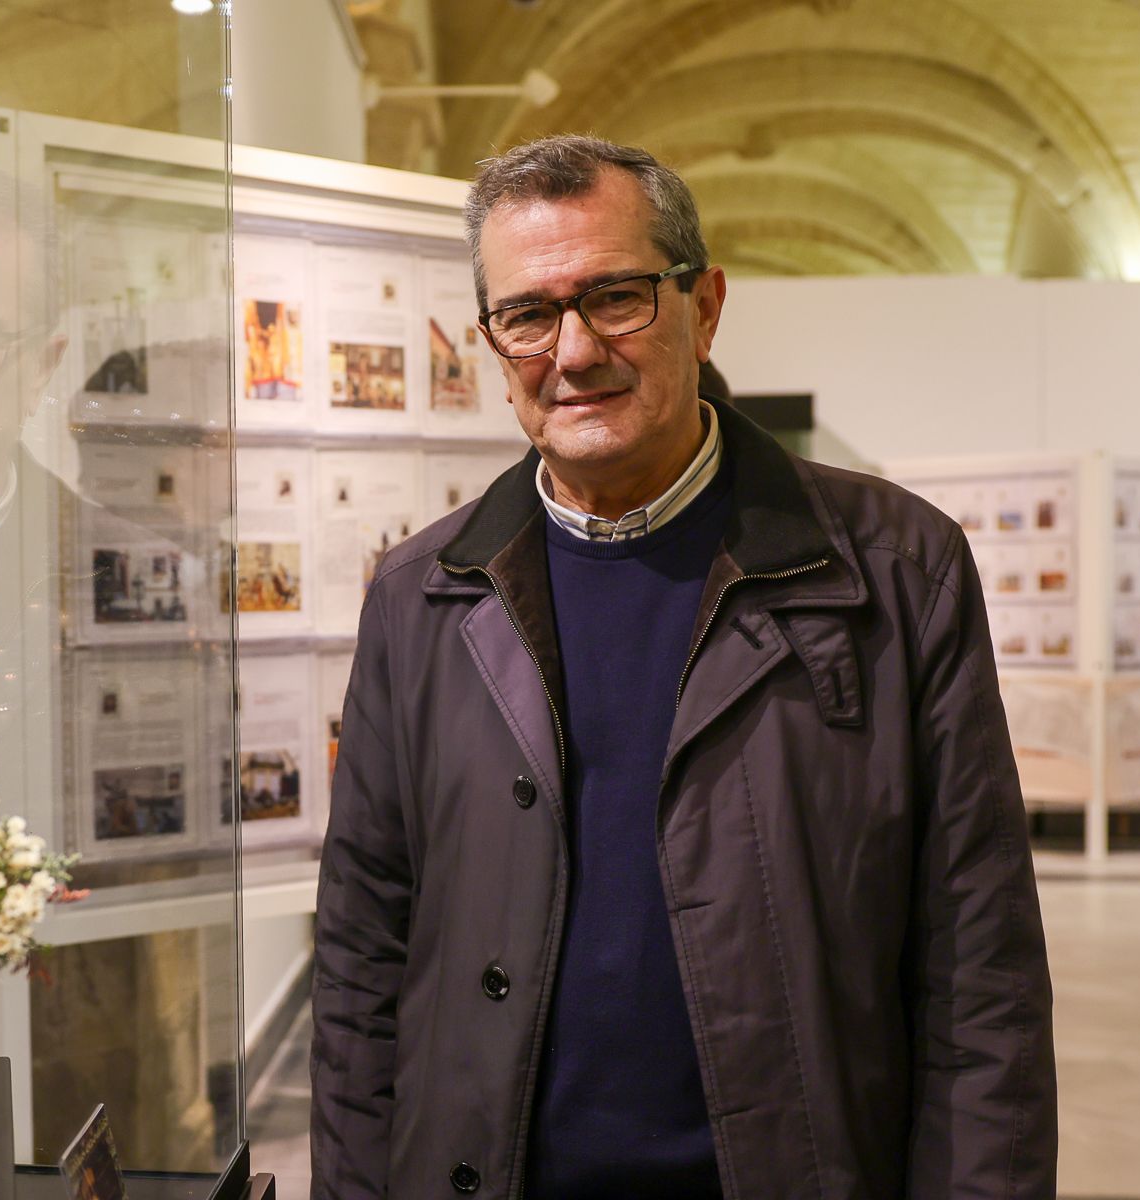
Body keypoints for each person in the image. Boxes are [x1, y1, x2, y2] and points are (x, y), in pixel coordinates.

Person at [312, 135, 1055, 1199]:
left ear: (703, 306)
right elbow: (362, 957)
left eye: (615, 297)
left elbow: (981, 972)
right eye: (527, 315)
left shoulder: (893, 571)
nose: (572, 352)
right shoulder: (423, 596)